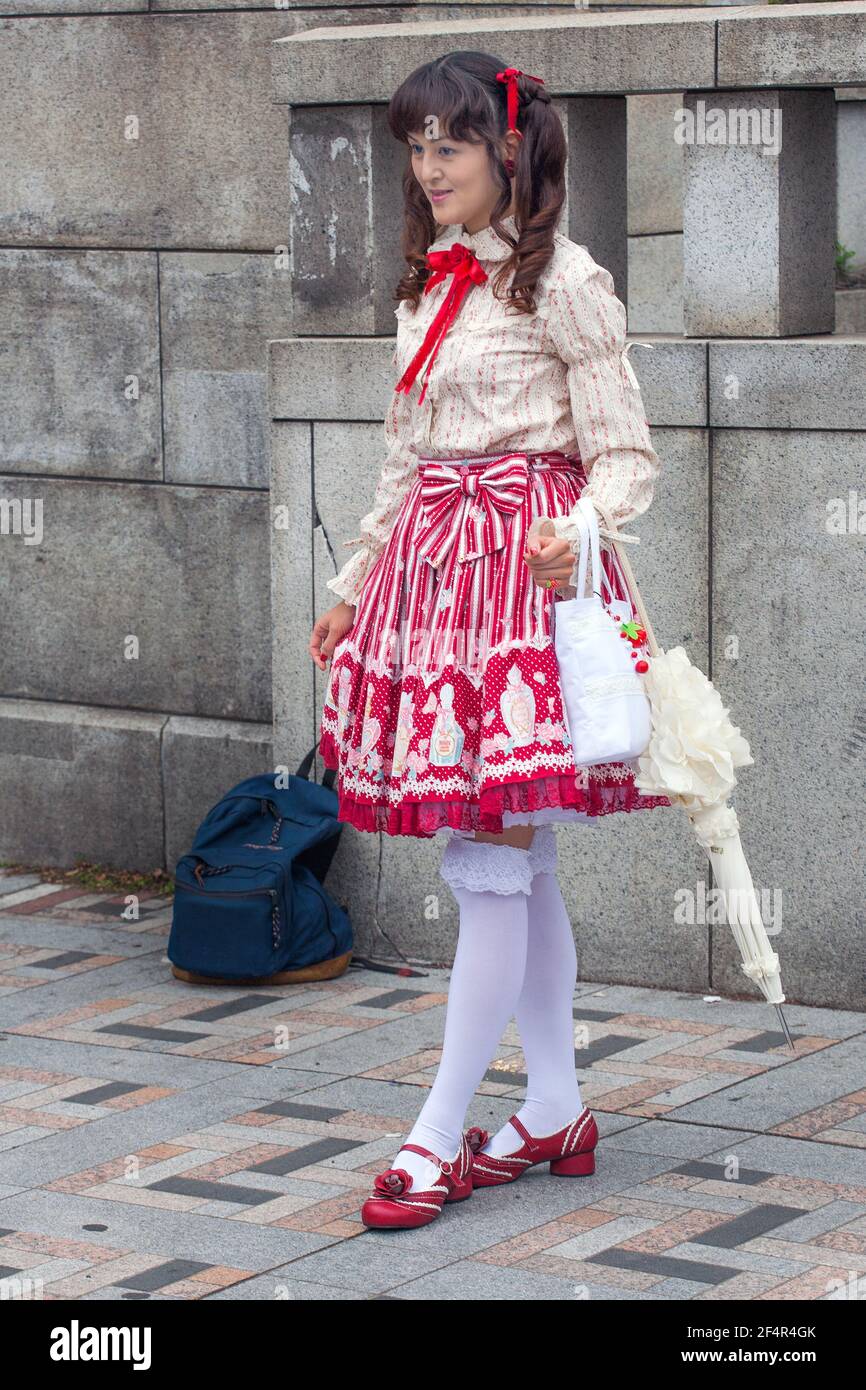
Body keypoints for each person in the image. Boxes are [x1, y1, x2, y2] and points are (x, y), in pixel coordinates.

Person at [308, 50, 672, 1230]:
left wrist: (579, 526)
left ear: (506, 152)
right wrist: (353, 580)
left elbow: (625, 450)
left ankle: (433, 1133)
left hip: (524, 588)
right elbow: (401, 460)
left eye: (446, 147)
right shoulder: (429, 287)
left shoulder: (563, 281)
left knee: (494, 867)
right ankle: (554, 1104)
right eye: (413, 147)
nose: (425, 168)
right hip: (429, 586)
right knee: (514, 868)